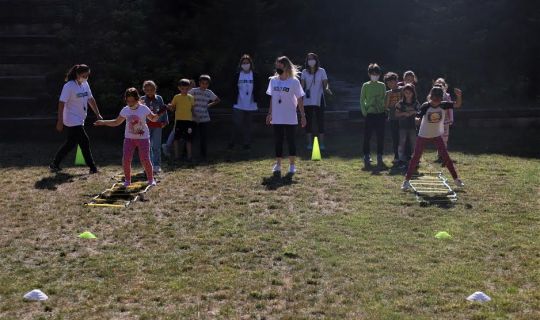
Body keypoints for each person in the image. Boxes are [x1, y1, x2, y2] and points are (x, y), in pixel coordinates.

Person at [94, 88, 163, 186]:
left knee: (145, 159)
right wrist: (103, 122)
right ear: (126, 100)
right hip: (129, 139)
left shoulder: (143, 108)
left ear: (137, 99)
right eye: (128, 101)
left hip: (143, 138)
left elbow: (153, 119)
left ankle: (151, 180)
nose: (130, 103)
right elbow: (116, 122)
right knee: (126, 159)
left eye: (132, 101)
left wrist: (159, 114)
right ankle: (127, 181)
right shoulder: (125, 110)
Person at [401, 86, 464, 191]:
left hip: (437, 135)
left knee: (446, 158)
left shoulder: (444, 105)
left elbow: (457, 104)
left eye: (438, 100)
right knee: (415, 158)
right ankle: (406, 181)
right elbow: (418, 115)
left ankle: (456, 179)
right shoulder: (426, 106)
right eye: (434, 100)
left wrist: (459, 96)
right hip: (424, 135)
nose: (436, 102)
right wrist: (417, 119)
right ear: (430, 97)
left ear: (441, 99)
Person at [49, 64, 102, 173]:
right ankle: (92, 167)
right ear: (77, 74)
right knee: (84, 141)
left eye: (87, 76)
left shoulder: (85, 84)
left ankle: (54, 164)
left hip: (80, 118)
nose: (86, 78)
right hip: (71, 119)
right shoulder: (69, 86)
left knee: (70, 143)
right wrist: (60, 121)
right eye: (84, 75)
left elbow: (90, 99)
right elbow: (61, 103)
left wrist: (98, 114)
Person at [266, 56, 306, 175]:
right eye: (277, 66)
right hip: (277, 117)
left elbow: (299, 100)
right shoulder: (273, 80)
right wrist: (269, 113)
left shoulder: (294, 81)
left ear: (286, 66)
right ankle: (278, 165)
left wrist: (303, 116)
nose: (277, 68)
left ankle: (292, 165)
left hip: (290, 117)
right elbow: (272, 98)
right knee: (278, 141)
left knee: (291, 141)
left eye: (280, 66)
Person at [300, 52, 332, 150]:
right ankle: (309, 144)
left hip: (319, 98)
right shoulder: (304, 72)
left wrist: (327, 89)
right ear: (307, 61)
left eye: (312, 58)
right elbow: (302, 86)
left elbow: (326, 84)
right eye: (309, 59)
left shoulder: (322, 71)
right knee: (308, 122)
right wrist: (298, 95)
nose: (311, 61)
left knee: (320, 121)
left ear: (316, 60)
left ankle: (322, 144)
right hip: (307, 100)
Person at [229, 54, 260, 151]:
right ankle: (232, 142)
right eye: (244, 63)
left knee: (248, 125)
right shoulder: (237, 75)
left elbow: (259, 88)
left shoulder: (255, 75)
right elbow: (232, 88)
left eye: (247, 63)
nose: (245, 64)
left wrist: (257, 100)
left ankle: (247, 143)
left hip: (251, 104)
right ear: (241, 64)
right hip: (239, 103)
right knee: (236, 124)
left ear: (250, 64)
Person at [360, 63, 387, 168]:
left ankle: (380, 155)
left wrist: (384, 109)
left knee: (380, 136)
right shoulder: (365, 85)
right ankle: (366, 155)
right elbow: (362, 100)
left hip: (380, 114)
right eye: (373, 74)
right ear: (369, 74)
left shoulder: (382, 85)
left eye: (376, 74)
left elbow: (385, 98)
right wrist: (365, 112)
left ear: (379, 74)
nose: (374, 75)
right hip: (370, 114)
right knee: (367, 136)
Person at [189, 75, 220, 161]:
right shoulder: (194, 91)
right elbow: (186, 98)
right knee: (190, 136)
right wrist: (191, 110)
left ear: (208, 84)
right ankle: (186, 153)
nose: (204, 85)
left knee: (203, 137)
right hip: (193, 118)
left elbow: (217, 100)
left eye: (206, 84)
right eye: (202, 83)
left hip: (204, 118)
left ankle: (203, 155)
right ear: (199, 83)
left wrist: (208, 105)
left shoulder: (209, 92)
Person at [140, 80, 168, 173]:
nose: (149, 91)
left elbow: (163, 109)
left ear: (155, 89)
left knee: (156, 146)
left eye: (151, 89)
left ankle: (156, 165)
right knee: (147, 146)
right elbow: (139, 112)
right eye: (147, 90)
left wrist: (165, 121)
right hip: (146, 126)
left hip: (157, 126)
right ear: (144, 90)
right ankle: (148, 165)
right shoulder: (142, 99)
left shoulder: (159, 98)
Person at [169, 79, 195, 162]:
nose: (185, 90)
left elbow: (192, 109)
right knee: (176, 139)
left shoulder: (191, 97)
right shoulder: (176, 97)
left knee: (188, 139)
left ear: (189, 88)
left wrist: (194, 118)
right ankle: (176, 157)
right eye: (183, 88)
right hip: (179, 121)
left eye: (187, 89)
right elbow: (172, 108)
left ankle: (189, 157)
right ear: (179, 88)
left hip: (188, 121)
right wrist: (170, 107)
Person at [394, 84, 420, 166]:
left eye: (410, 92)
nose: (408, 94)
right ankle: (401, 159)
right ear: (403, 93)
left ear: (413, 93)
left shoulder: (416, 103)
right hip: (402, 127)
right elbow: (396, 114)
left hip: (413, 126)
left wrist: (413, 112)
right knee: (402, 142)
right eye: (406, 92)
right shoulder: (400, 103)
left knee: (414, 143)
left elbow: (420, 112)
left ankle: (415, 159)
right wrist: (404, 113)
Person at [433, 78, 454, 162]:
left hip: (445, 120)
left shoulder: (447, 96)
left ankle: (443, 154)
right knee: (438, 137)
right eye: (438, 84)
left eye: (442, 84)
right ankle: (439, 153)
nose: (440, 85)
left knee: (445, 137)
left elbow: (450, 108)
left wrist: (451, 118)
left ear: (445, 86)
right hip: (436, 120)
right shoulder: (432, 96)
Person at [384, 72, 401, 163]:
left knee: (403, 137)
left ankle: (405, 156)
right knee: (395, 138)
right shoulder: (387, 93)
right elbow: (386, 107)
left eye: (392, 82)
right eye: (388, 83)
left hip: (402, 118)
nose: (390, 84)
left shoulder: (402, 90)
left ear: (396, 81)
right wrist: (389, 97)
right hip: (393, 118)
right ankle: (397, 156)